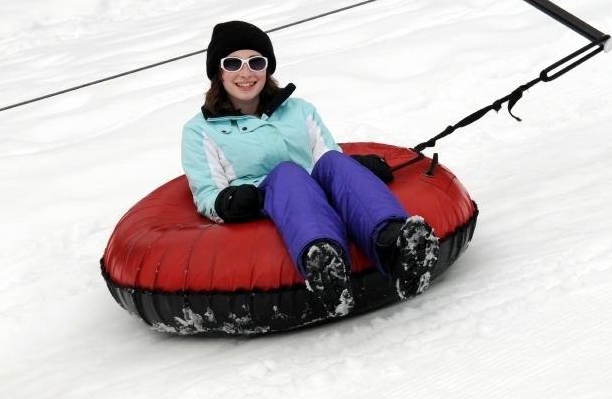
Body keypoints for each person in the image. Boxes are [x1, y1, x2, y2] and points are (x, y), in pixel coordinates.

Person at [181, 21, 439, 317]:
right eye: (233, 63)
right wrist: (226, 201)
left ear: (267, 67)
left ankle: (396, 246)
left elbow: (326, 158)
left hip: (315, 187)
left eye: (256, 62)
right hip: (262, 200)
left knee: (334, 162)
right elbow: (207, 193)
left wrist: (359, 170)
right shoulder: (200, 130)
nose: (246, 72)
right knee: (289, 173)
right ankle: (324, 265)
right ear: (219, 71)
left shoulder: (299, 109)